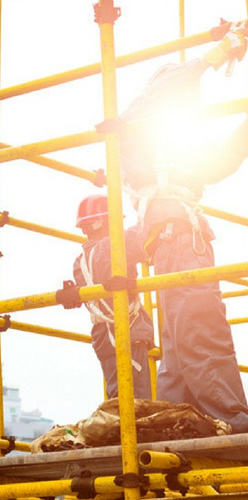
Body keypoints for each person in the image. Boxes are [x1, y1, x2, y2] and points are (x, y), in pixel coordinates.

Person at [118, 23, 248, 432]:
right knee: (198, 320)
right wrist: (220, 52)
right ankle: (233, 419)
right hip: (176, 229)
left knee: (177, 338)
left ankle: (173, 423)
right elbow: (171, 84)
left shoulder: (170, 150)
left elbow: (219, 160)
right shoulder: (144, 117)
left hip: (176, 229)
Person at [72, 194, 155, 400]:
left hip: (103, 335)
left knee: (117, 397)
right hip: (127, 331)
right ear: (100, 222)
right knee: (136, 400)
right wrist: (153, 201)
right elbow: (146, 234)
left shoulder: (79, 261)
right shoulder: (114, 245)